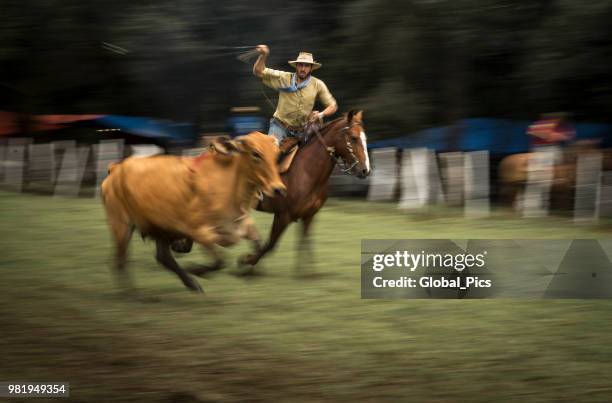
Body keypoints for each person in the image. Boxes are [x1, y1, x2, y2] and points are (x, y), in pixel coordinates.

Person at [252, 44, 338, 147]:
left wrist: (320, 115)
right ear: (296, 66)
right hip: (280, 127)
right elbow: (258, 72)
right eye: (300, 65)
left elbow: (333, 106)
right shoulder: (283, 77)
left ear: (311, 68)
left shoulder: (318, 84)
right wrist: (263, 55)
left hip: (302, 131)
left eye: (306, 66)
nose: (303, 68)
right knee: (271, 151)